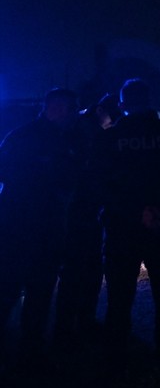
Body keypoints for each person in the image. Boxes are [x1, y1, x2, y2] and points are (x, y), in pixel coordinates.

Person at [96, 78, 160, 371]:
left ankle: (117, 355)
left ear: (123, 104)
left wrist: (135, 211)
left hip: (122, 227)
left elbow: (100, 184)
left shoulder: (110, 138)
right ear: (150, 99)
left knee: (119, 294)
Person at [0, 87, 78, 367]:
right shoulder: (31, 138)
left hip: (31, 227)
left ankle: (28, 351)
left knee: (32, 290)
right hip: (24, 227)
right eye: (70, 109)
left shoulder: (27, 136)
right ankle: (28, 352)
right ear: (55, 107)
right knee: (21, 289)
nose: (73, 115)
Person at [54, 92, 120, 347]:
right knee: (77, 271)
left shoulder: (84, 131)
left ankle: (78, 321)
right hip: (80, 212)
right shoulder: (87, 135)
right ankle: (69, 326)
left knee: (88, 269)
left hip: (87, 212)